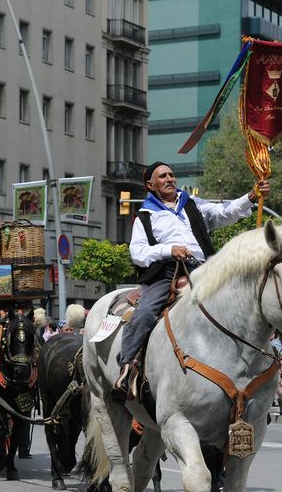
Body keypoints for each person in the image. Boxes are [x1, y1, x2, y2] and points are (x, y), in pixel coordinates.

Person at [112, 161, 269, 400]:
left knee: (245, 300)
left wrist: (250, 196)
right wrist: (168, 250)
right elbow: (138, 253)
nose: (169, 179)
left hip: (206, 270)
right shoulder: (145, 215)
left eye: (172, 175)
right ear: (150, 185)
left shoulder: (192, 204)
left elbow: (223, 213)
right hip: (168, 274)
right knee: (144, 313)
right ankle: (127, 368)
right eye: (163, 176)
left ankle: (255, 372)